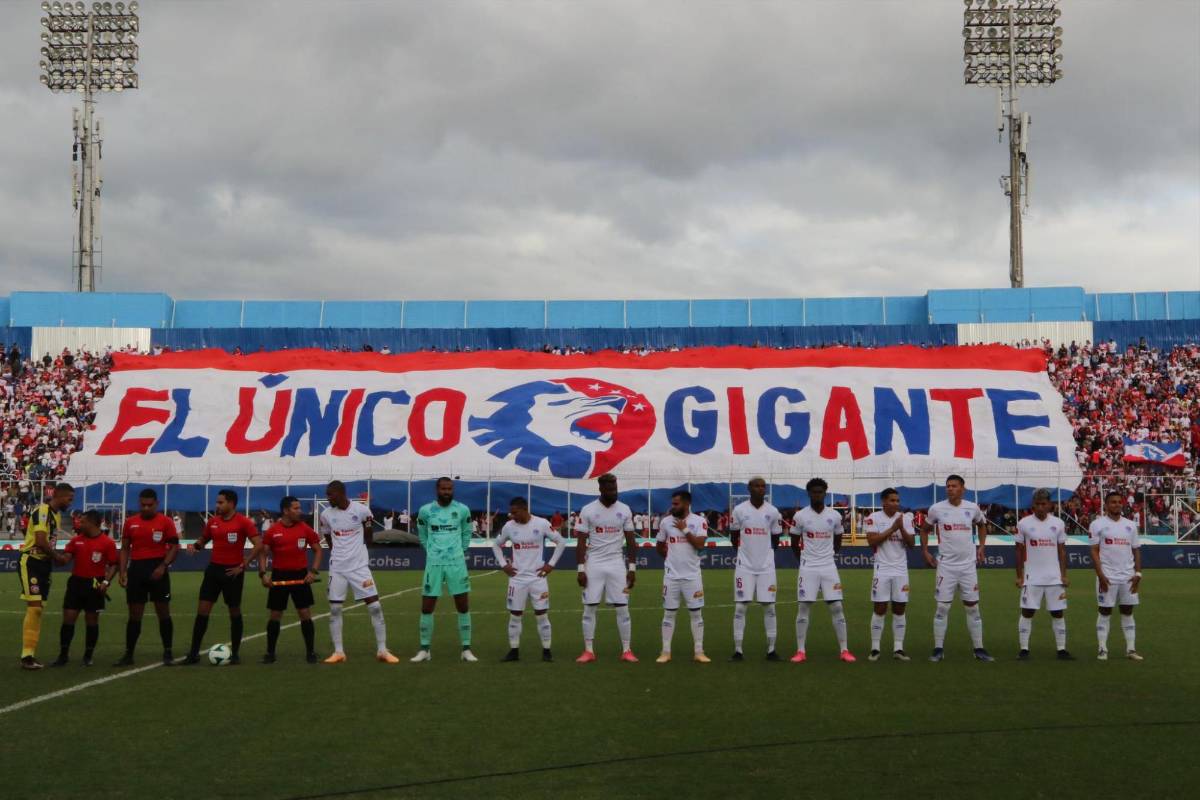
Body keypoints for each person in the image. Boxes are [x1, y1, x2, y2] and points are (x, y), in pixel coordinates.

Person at [319, 480, 398, 664]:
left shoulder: (361, 511)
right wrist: (339, 553)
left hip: (359, 568)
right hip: (337, 568)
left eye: (330, 494)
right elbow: (328, 537)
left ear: (340, 493)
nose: (328, 498)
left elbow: (369, 535)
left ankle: (382, 650)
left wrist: (360, 553)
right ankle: (339, 652)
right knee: (335, 609)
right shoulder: (326, 515)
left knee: (375, 607)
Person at [920, 475, 994, 663]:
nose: (950, 489)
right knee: (942, 607)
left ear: (963, 488)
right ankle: (938, 649)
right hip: (946, 566)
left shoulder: (972, 508)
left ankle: (979, 648)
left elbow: (982, 525)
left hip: (968, 566)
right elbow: (924, 529)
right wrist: (925, 551)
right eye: (948, 486)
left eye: (954, 486)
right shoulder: (937, 509)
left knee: (973, 608)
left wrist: (982, 547)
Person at [182, 489, 260, 665]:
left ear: (231, 503)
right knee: (202, 611)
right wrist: (195, 546)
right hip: (213, 571)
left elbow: (258, 545)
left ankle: (236, 654)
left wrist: (243, 564)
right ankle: (193, 654)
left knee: (234, 611)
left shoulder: (243, 522)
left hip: (232, 573)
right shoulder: (213, 522)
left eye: (220, 502)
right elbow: (204, 539)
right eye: (217, 502)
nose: (217, 505)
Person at [491, 496, 566, 662]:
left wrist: (551, 564)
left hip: (538, 578)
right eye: (511, 512)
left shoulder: (542, 523)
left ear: (524, 509)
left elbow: (561, 542)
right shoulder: (509, 527)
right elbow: (496, 545)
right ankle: (514, 651)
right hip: (517, 579)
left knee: (542, 615)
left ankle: (546, 651)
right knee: (515, 615)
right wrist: (504, 564)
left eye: (515, 512)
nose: (512, 515)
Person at [574, 473, 638, 663]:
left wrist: (632, 568)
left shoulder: (625, 510)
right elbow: (581, 542)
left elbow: (631, 541)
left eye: (615, 488)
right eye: (610, 489)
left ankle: (626, 650)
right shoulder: (588, 510)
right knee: (589, 608)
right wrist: (580, 569)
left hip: (617, 565)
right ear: (601, 489)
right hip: (594, 564)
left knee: (623, 608)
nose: (614, 492)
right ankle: (588, 651)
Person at [411, 477, 476, 663]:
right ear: (437, 490)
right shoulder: (426, 511)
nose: (447, 492)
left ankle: (466, 649)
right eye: (443, 489)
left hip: (456, 563)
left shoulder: (462, 510)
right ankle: (424, 649)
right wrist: (431, 550)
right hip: (434, 563)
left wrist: (460, 551)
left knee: (462, 605)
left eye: (450, 488)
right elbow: (422, 534)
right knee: (427, 607)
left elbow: (466, 532)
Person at [790, 478, 855, 663]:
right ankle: (800, 651)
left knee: (836, 606)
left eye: (820, 491)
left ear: (825, 493)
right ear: (809, 493)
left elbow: (838, 539)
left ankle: (844, 650)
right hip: (808, 567)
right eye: (814, 492)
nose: (817, 494)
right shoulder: (800, 516)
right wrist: (804, 560)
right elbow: (794, 543)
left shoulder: (834, 516)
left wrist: (829, 556)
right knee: (804, 607)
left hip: (828, 567)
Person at [115, 488, 179, 666]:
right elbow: (125, 548)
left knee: (163, 612)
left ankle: (168, 652)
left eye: (149, 505)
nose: (145, 508)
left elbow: (175, 546)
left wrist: (163, 566)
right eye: (142, 505)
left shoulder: (166, 522)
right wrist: (122, 572)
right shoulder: (130, 522)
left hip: (158, 569)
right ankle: (129, 654)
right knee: (135, 614)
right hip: (137, 570)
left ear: (156, 504)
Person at [256, 496, 323, 664]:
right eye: (296, 508)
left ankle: (310, 652)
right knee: (275, 615)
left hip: (300, 576)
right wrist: (263, 574)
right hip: (279, 576)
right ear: (286, 510)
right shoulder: (273, 530)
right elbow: (263, 553)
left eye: (299, 508)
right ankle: (270, 653)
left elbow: (318, 550)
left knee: (304, 613)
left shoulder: (305, 529)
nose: (299, 511)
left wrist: (313, 572)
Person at [16, 482, 74, 670]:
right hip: (31, 561)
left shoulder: (55, 515)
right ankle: (27, 656)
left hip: (43, 565)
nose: (70, 502)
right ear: (57, 494)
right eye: (68, 498)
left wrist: (54, 558)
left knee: (38, 608)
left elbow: (48, 540)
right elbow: (40, 540)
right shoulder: (42, 510)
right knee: (35, 608)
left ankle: (30, 654)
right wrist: (57, 557)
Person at [50, 510, 118, 667]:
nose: (79, 523)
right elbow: (65, 558)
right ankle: (63, 654)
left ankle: (88, 655)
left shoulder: (107, 543)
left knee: (92, 621)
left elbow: (114, 564)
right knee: (68, 619)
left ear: (93, 523)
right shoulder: (76, 541)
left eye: (83, 521)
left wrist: (106, 582)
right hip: (76, 583)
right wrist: (56, 556)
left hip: (95, 584)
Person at [1014, 489, 1073, 660]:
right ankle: (1024, 649)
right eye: (1037, 504)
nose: (1040, 507)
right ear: (1033, 505)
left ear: (1050, 505)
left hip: (1054, 577)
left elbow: (1062, 551)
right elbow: (1018, 551)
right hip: (1032, 577)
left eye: (1043, 504)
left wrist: (1064, 575)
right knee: (1027, 612)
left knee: (1057, 613)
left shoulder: (1058, 523)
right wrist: (1019, 576)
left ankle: (1061, 649)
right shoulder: (1024, 523)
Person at [728, 476, 782, 661]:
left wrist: (765, 554)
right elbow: (734, 537)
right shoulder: (739, 510)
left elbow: (776, 538)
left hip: (767, 568)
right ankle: (738, 650)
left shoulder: (773, 512)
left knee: (770, 607)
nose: (760, 489)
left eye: (763, 486)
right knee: (740, 608)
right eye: (757, 486)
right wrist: (745, 554)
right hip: (745, 567)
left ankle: (771, 649)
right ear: (749, 488)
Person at [655, 490, 710, 664]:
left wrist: (684, 529)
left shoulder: (699, 521)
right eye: (673, 503)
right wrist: (670, 560)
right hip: (671, 576)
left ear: (686, 504)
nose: (673, 507)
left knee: (696, 614)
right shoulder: (665, 522)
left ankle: (699, 652)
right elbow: (659, 545)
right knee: (669, 613)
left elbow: (700, 545)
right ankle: (665, 652)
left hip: (692, 576)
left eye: (676, 504)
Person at [1089, 491, 1143, 661]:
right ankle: (1102, 648)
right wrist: (1101, 575)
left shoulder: (1130, 525)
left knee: (1127, 611)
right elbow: (1094, 551)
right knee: (1105, 611)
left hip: (1128, 576)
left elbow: (1136, 550)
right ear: (1106, 504)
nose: (1117, 504)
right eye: (1113, 502)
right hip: (1108, 576)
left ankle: (1131, 649)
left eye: (1119, 502)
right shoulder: (1097, 524)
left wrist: (1138, 573)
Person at [863, 488, 915, 661]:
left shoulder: (906, 518)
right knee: (880, 608)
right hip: (882, 569)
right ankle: (875, 648)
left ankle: (898, 649)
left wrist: (902, 529)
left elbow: (911, 544)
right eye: (892, 500)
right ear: (883, 502)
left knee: (899, 609)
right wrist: (893, 529)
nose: (896, 503)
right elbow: (872, 541)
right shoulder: (873, 518)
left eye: (897, 500)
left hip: (901, 570)